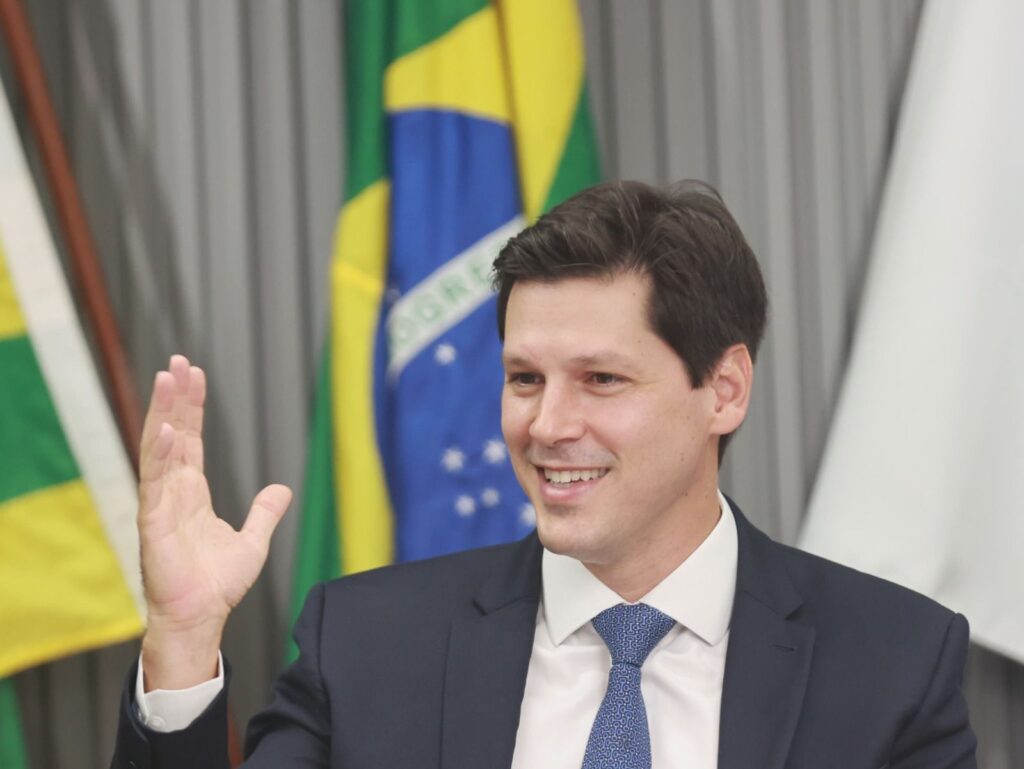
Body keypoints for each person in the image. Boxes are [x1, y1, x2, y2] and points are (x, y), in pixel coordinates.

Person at [113, 181, 977, 768]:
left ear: (724, 390)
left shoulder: (896, 661)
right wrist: (182, 643)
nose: (547, 425)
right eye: (525, 378)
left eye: (601, 379)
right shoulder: (367, 643)